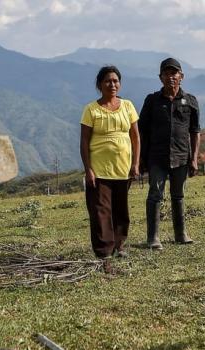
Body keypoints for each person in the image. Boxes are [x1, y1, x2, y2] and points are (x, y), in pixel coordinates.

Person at [139, 57, 201, 250]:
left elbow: (195, 132)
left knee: (178, 195)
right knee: (155, 195)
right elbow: (142, 131)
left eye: (174, 73)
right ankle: (153, 238)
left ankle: (180, 234)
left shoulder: (190, 101)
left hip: (181, 158)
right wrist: (140, 158)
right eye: (166, 74)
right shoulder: (152, 101)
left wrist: (194, 159)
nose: (170, 77)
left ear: (181, 76)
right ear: (160, 77)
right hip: (156, 157)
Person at [80, 66, 141, 260]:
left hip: (123, 168)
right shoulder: (91, 110)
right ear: (99, 85)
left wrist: (135, 163)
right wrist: (88, 169)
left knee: (121, 210)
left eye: (115, 81)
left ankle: (119, 245)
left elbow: (136, 138)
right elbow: (83, 142)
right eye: (108, 81)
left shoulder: (128, 106)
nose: (112, 84)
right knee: (100, 211)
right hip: (99, 170)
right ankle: (103, 251)